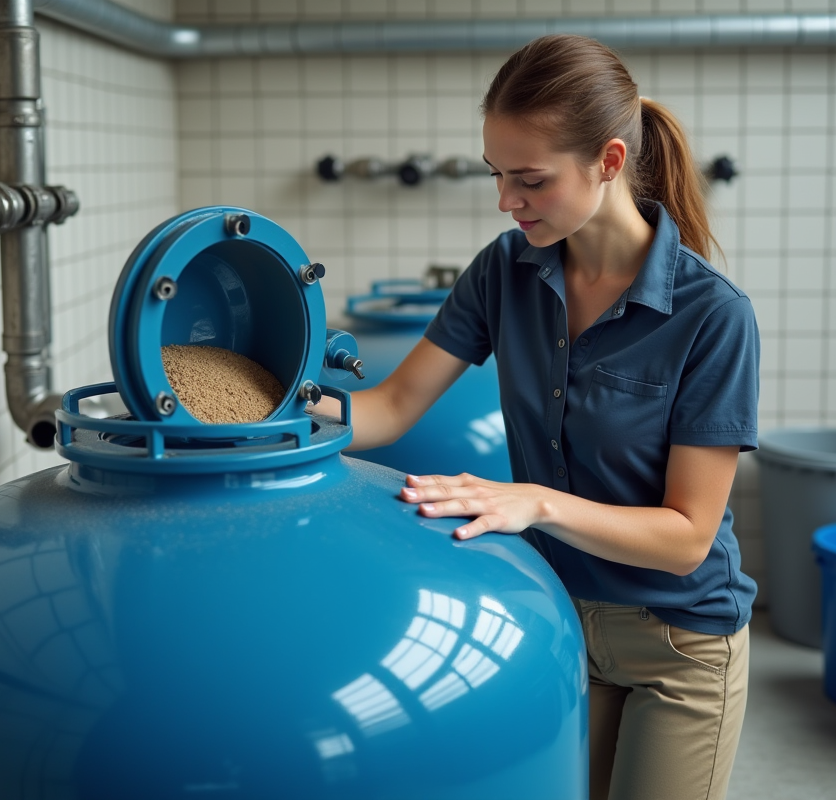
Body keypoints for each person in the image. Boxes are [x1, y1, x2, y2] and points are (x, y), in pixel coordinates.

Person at [314, 33, 759, 800]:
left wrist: (535, 503)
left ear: (610, 162)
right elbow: (388, 407)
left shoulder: (712, 316)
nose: (504, 201)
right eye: (497, 176)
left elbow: (687, 538)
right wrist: (271, 410)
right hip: (557, 618)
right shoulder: (504, 270)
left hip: (678, 643)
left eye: (529, 180)